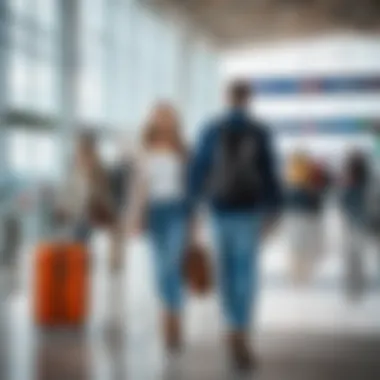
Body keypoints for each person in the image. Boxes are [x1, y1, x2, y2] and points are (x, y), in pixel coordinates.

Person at [187, 80, 282, 371]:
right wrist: (273, 213)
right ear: (248, 98)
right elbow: (270, 173)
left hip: (219, 211)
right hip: (250, 212)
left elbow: (198, 170)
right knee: (247, 273)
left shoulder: (211, 129)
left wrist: (194, 210)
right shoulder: (261, 131)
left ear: (226, 97)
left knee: (225, 271)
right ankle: (242, 330)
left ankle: (230, 326)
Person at [126, 102, 189, 352]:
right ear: (152, 120)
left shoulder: (184, 150)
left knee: (172, 264)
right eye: (158, 116)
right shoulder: (144, 148)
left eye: (167, 116)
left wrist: (194, 223)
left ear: (174, 120)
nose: (163, 120)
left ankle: (172, 321)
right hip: (153, 213)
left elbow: (190, 188)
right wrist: (134, 217)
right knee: (158, 271)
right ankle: (169, 309)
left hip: (177, 212)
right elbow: (138, 187)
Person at [58, 131, 115, 243]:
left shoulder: (97, 170)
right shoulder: (76, 167)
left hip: (87, 215)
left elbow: (102, 193)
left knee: (80, 242)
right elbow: (69, 190)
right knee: (76, 242)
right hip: (76, 214)